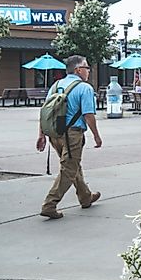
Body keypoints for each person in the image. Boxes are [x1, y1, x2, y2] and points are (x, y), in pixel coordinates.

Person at [36, 55, 102, 219]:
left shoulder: (55, 85)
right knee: (69, 169)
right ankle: (50, 204)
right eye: (86, 68)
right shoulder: (84, 88)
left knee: (72, 165)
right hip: (73, 134)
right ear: (78, 70)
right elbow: (88, 115)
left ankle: (85, 197)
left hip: (54, 134)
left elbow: (45, 112)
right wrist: (96, 136)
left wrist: (41, 134)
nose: (88, 71)